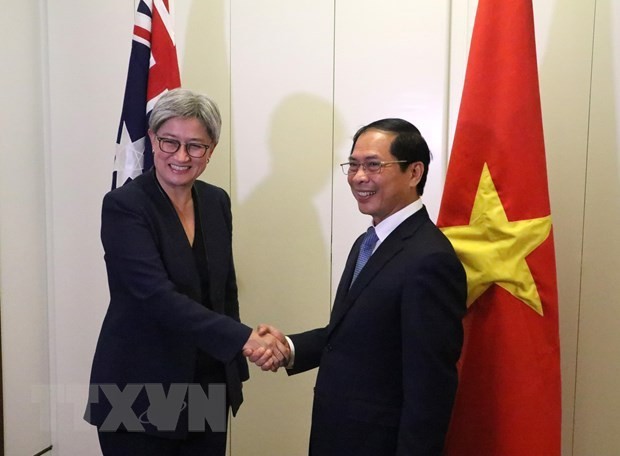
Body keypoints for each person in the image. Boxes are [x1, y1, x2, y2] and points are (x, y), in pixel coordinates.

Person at [85, 88, 288, 455]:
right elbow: (154, 296)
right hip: (138, 389)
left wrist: (238, 351)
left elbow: (224, 289)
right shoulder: (125, 206)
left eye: (195, 146)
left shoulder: (215, 201)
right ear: (151, 138)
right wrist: (243, 338)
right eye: (169, 142)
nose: (181, 156)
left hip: (207, 383)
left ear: (210, 151)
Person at [260, 118, 467, 455]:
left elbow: (430, 388)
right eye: (353, 165)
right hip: (339, 437)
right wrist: (289, 347)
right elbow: (353, 334)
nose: (358, 177)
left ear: (414, 173)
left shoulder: (430, 259)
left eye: (374, 165)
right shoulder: (368, 242)